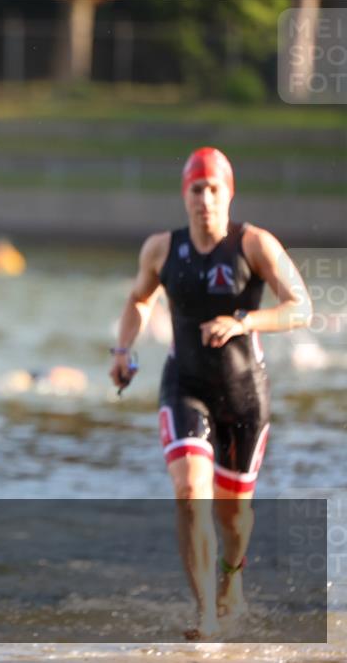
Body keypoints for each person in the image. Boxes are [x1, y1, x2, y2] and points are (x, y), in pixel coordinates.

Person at [109, 147, 312, 640]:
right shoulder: (161, 248)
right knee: (189, 490)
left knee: (233, 513)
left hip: (244, 394)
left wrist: (245, 321)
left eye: (214, 188)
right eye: (196, 189)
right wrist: (122, 348)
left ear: (229, 193)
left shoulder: (255, 245)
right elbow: (139, 298)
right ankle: (203, 615)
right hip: (186, 386)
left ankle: (232, 578)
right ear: (185, 194)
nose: (205, 198)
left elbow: (300, 307)